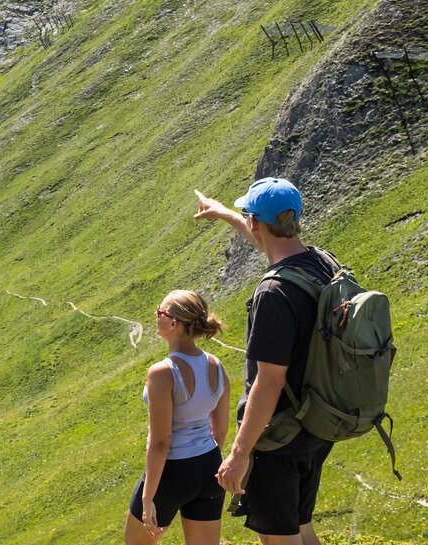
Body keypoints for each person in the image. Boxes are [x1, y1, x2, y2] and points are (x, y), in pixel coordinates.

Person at [192, 178, 338, 544]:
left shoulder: (274, 293)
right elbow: (267, 242)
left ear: (257, 222)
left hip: (278, 439)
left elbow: (269, 382)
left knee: (279, 537)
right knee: (302, 528)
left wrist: (239, 455)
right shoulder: (320, 262)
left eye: (248, 217)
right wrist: (224, 212)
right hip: (316, 425)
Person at [125, 290, 231, 545]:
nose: (155, 315)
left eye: (159, 312)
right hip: (209, 466)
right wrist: (206, 462)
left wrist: (149, 497)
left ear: (173, 323)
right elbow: (221, 429)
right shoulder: (216, 366)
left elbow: (161, 442)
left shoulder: (162, 372)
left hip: (172, 472)